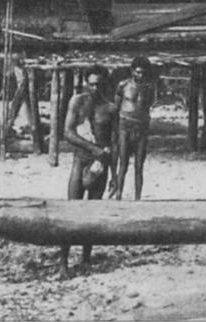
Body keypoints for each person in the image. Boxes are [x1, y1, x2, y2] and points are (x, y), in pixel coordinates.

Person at [59, 65, 116, 278]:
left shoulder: (110, 108)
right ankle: (63, 261)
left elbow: (114, 144)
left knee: (91, 211)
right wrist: (94, 149)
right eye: (91, 83)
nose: (95, 88)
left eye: (99, 84)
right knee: (71, 211)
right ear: (85, 83)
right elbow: (67, 132)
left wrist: (116, 176)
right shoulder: (77, 102)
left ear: (105, 84)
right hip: (80, 161)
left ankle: (86, 259)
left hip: (101, 165)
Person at [114, 56, 156, 201]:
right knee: (123, 162)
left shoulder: (149, 88)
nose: (140, 75)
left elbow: (148, 105)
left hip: (142, 127)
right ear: (132, 71)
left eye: (143, 72)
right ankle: (118, 194)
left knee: (139, 165)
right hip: (125, 126)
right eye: (138, 72)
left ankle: (137, 197)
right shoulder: (123, 85)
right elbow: (118, 104)